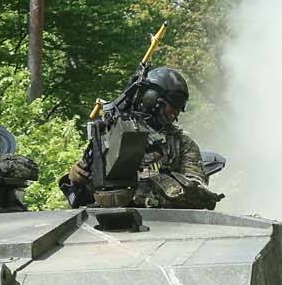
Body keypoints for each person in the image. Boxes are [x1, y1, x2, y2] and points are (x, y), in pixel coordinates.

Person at [72, 65, 223, 209]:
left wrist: (151, 187)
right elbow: (92, 193)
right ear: (152, 99)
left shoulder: (182, 144)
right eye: (174, 104)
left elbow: (197, 192)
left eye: (180, 106)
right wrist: (80, 178)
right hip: (112, 221)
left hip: (166, 222)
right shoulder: (115, 136)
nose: (177, 111)